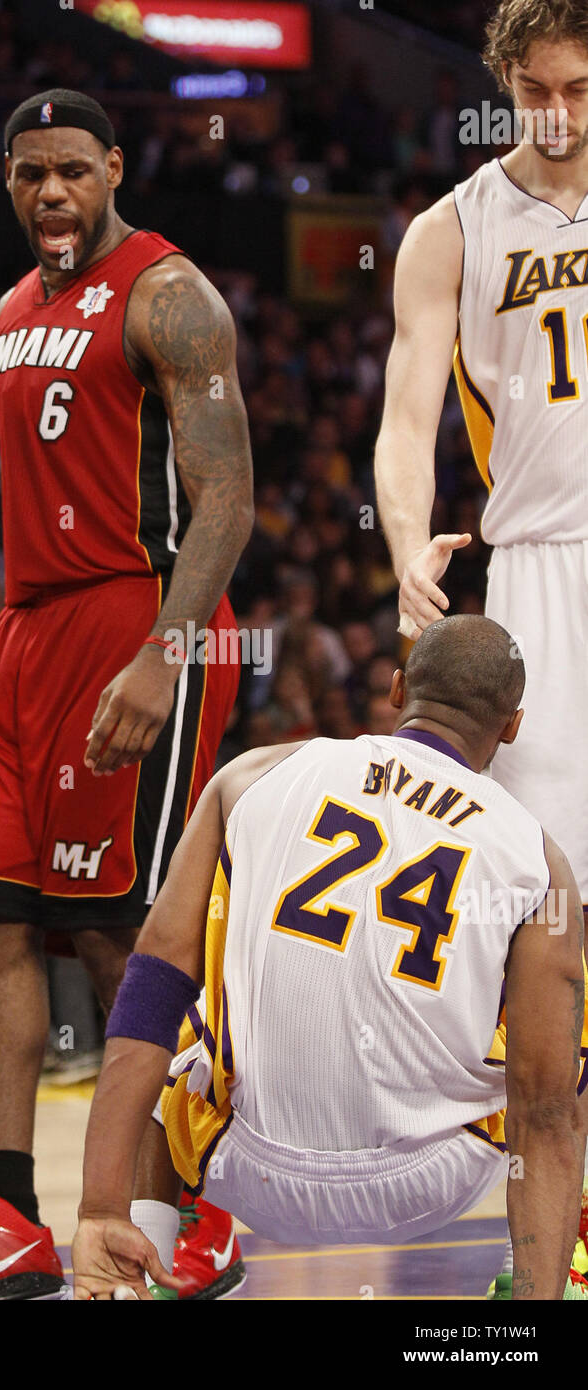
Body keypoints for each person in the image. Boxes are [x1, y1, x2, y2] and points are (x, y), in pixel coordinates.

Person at [0, 88, 253, 1301]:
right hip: (22, 633)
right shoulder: (13, 307)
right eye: (30, 175)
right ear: (10, 183)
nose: (52, 193)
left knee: (120, 927)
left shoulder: (170, 293)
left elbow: (226, 497)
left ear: (114, 168)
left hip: (138, 616)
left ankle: (185, 1210)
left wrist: (163, 652)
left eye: (73, 169)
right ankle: (7, 1217)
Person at [67, 617, 588, 1301]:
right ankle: (540, 1292)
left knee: (178, 1024)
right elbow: (546, 1112)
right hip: (430, 1185)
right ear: (511, 726)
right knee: (554, 1051)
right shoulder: (536, 857)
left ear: (397, 688)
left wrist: (95, 1208)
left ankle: (132, 1260)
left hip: (245, 1165)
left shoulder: (252, 775)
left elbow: (148, 988)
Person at [374, 0, 588, 915]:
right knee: (541, 875)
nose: (557, 113)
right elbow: (406, 424)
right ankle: (551, 1063)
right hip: (537, 564)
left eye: (579, 89)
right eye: (533, 89)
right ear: (503, 83)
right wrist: (405, 551)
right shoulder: (449, 230)